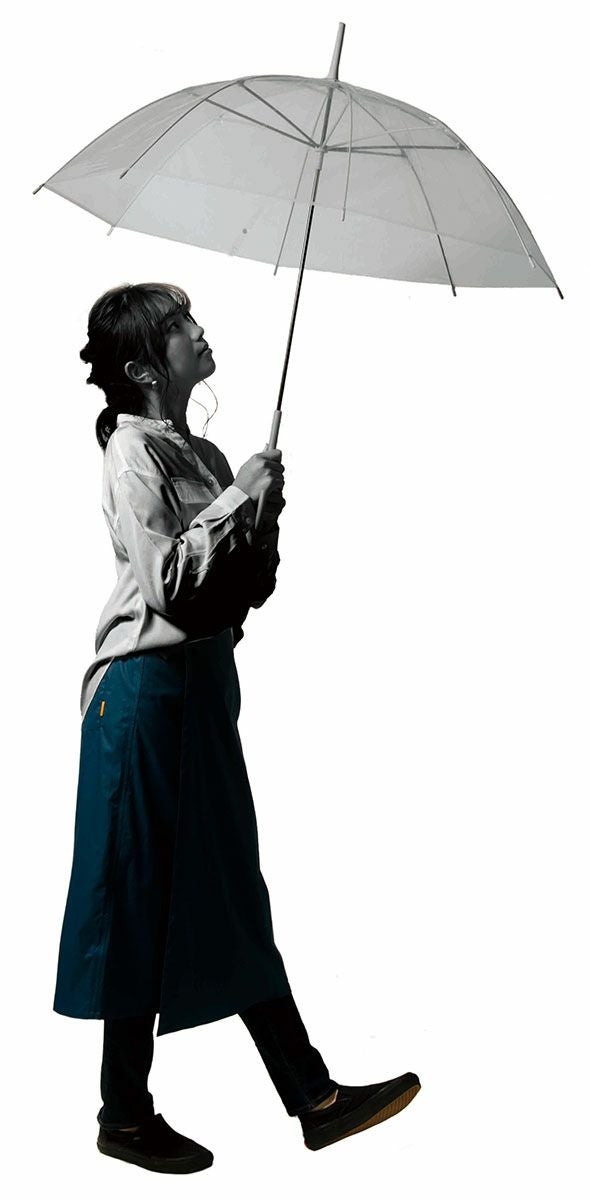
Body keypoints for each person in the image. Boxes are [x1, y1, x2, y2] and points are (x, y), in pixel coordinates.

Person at [52, 281, 420, 1173]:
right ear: (144, 367)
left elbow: (242, 592)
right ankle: (138, 1114)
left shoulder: (206, 452)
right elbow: (169, 585)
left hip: (202, 694)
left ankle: (307, 1101)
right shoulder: (132, 452)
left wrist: (263, 511)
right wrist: (232, 503)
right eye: (180, 327)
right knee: (139, 893)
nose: (198, 331)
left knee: (227, 889)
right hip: (142, 696)